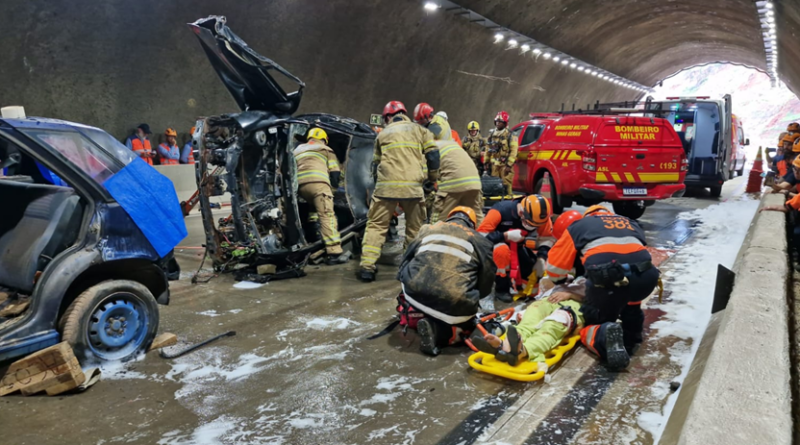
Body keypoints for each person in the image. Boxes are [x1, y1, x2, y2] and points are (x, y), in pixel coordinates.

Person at [545, 205, 660, 370]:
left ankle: (602, 334)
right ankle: (633, 333)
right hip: (647, 277)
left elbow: (555, 268)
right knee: (631, 302)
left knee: (593, 317)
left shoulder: (580, 226)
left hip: (607, 280)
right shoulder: (630, 222)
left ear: (588, 215)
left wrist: (562, 282)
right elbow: (634, 253)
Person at [357, 101, 439, 282]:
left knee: (376, 226)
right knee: (414, 228)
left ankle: (367, 268)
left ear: (387, 117)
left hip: (386, 188)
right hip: (413, 188)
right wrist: (432, 178)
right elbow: (433, 156)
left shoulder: (382, 134)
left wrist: (378, 187)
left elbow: (375, 165)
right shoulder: (421, 131)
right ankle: (409, 268)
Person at [397, 206, 495, 356]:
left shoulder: (427, 229)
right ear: (472, 224)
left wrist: (406, 280)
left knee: (410, 268)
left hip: (413, 295)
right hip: (454, 305)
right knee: (466, 323)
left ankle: (421, 316)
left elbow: (406, 259)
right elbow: (487, 279)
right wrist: (474, 297)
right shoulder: (480, 241)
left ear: (449, 217)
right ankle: (441, 332)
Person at [477, 195, 555, 303]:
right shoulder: (500, 211)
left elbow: (547, 239)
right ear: (522, 213)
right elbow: (480, 238)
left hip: (517, 246)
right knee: (502, 251)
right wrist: (504, 236)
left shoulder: (540, 217)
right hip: (494, 246)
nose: (533, 227)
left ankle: (520, 287)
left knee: (532, 276)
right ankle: (501, 288)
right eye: (529, 223)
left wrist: (541, 258)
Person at [294, 127, 349, 265]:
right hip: (319, 185)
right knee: (327, 216)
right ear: (324, 139)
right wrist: (333, 190)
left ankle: (313, 237)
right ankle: (334, 252)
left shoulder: (298, 149)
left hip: (300, 188)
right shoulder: (326, 149)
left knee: (312, 212)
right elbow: (335, 174)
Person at [429, 140, 484, 224]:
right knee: (476, 217)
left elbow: (426, 175)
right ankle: (481, 231)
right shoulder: (451, 144)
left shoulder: (428, 149)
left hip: (453, 183)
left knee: (439, 217)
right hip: (474, 182)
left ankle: (434, 231)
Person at [486, 111, 518, 196]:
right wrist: (486, 162)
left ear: (505, 123)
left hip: (505, 166)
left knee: (506, 186)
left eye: (500, 122)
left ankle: (508, 201)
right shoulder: (491, 134)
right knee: (495, 187)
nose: (498, 123)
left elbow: (514, 151)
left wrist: (509, 165)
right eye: (497, 121)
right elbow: (488, 149)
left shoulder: (511, 135)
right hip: (495, 167)